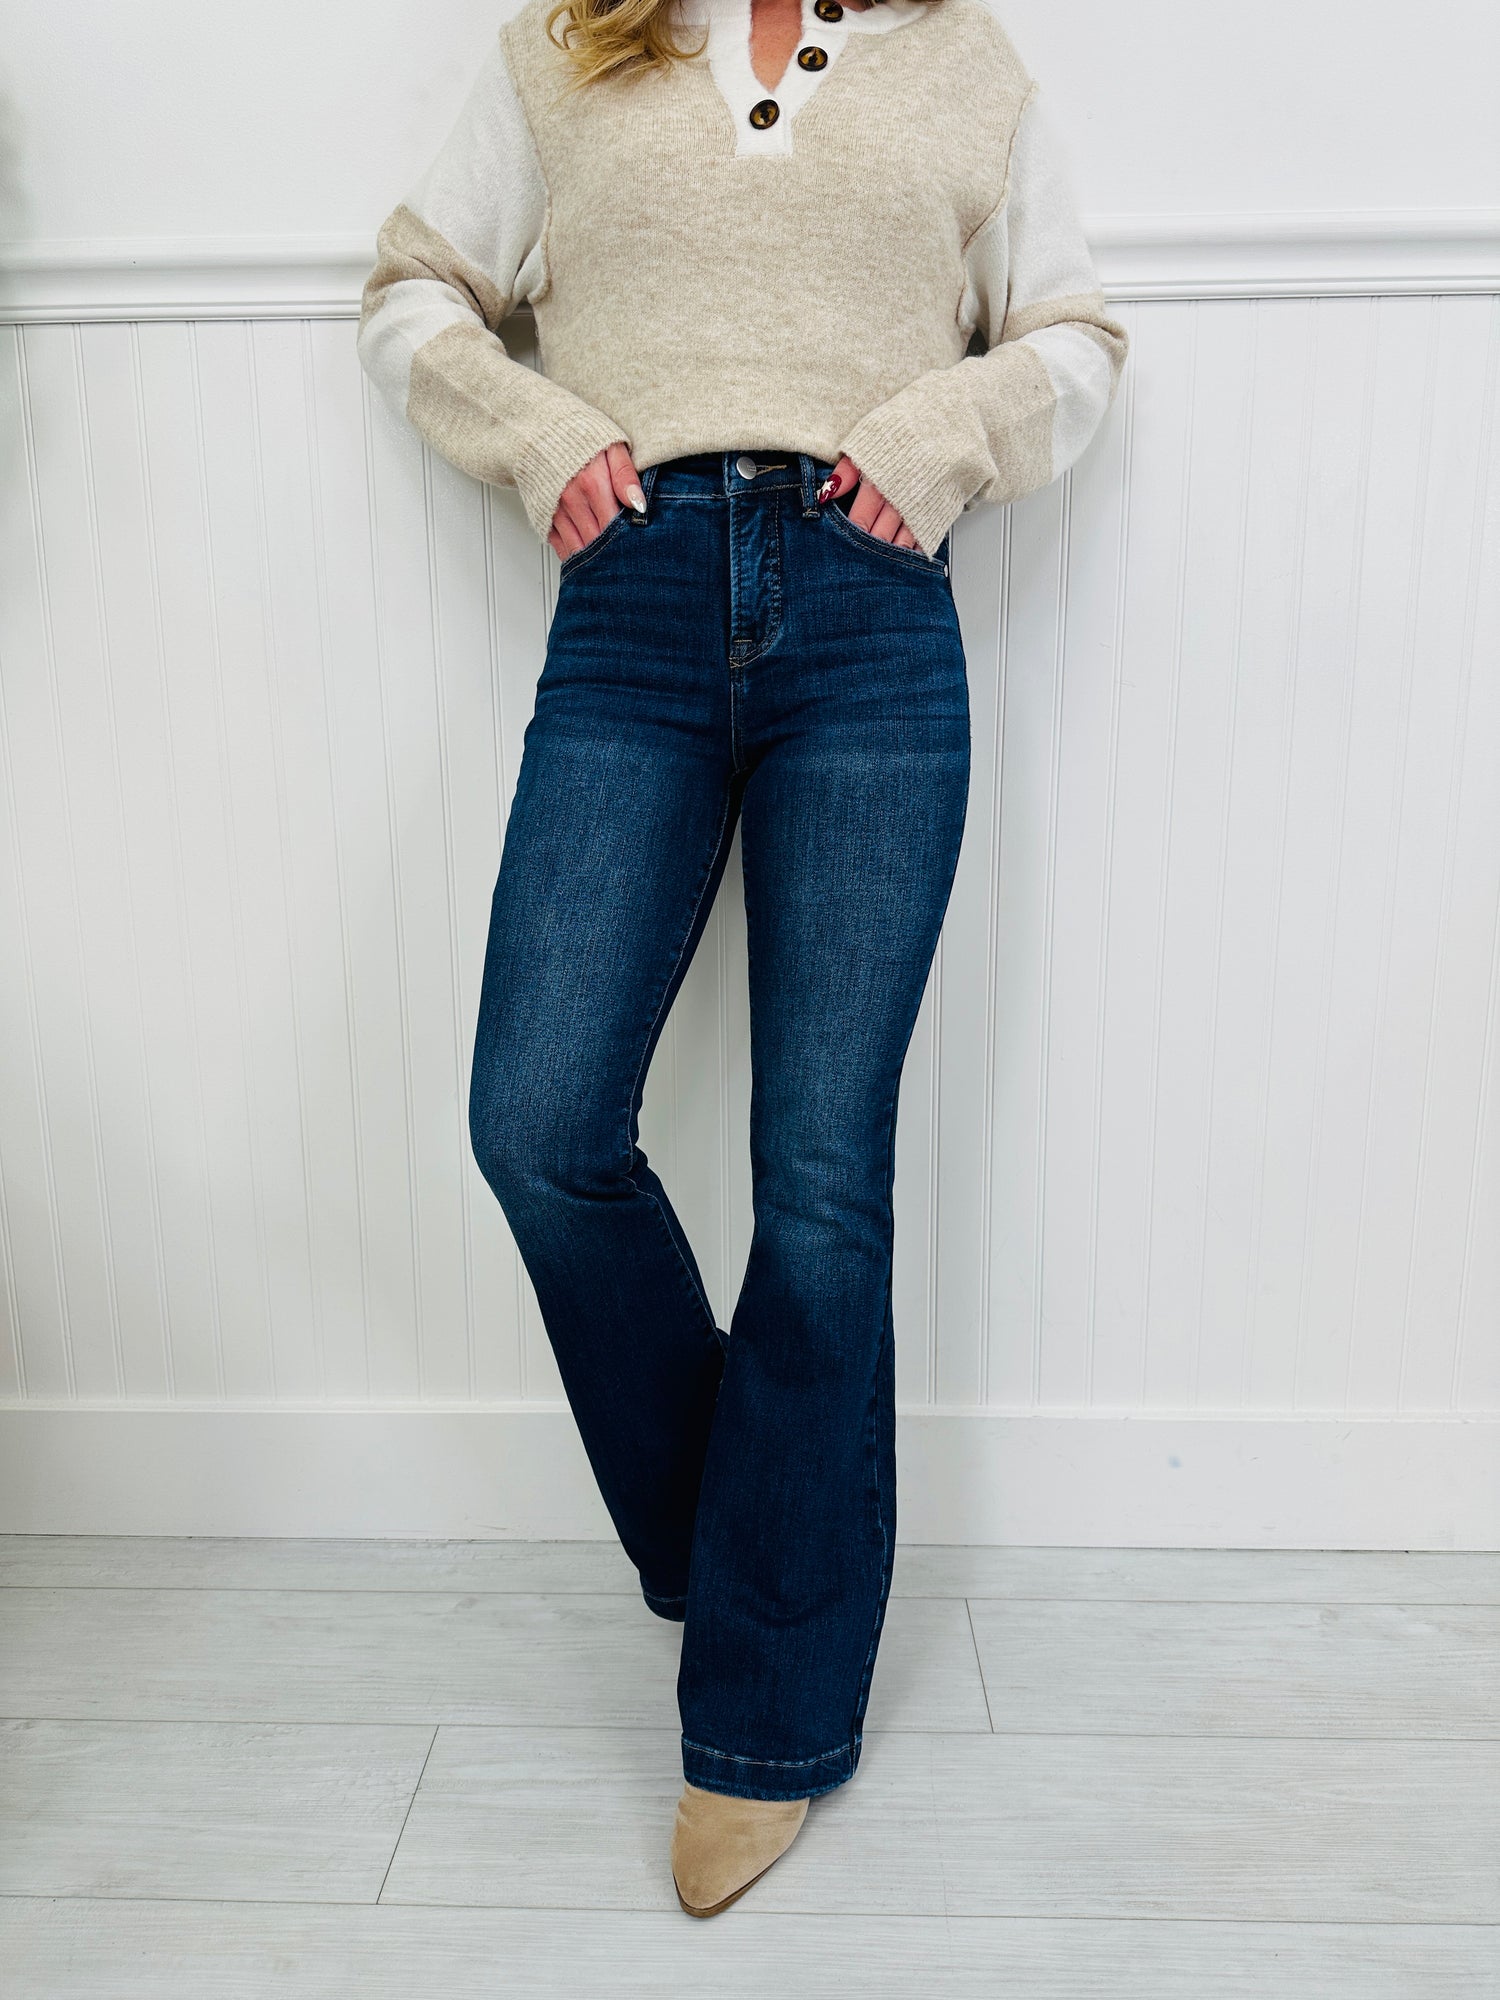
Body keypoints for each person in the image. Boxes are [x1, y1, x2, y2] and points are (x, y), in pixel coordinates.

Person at [357, 0, 1126, 1918]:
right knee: (539, 1123)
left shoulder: (966, 61)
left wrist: (936, 433)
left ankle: (764, 1722)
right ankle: (755, 1539)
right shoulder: (568, 47)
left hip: (871, 615)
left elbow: (1075, 338)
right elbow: (414, 292)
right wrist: (543, 437)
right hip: (630, 603)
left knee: (821, 1182)